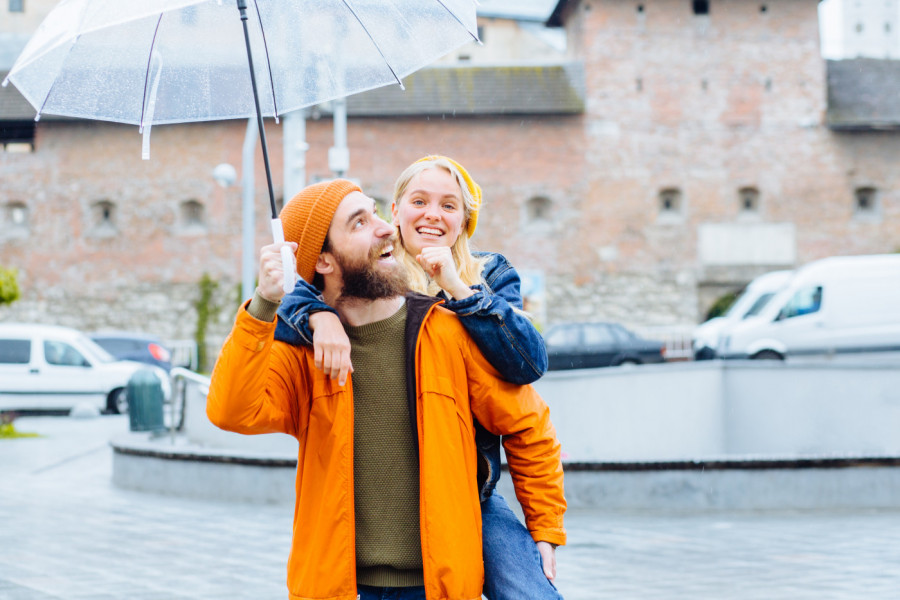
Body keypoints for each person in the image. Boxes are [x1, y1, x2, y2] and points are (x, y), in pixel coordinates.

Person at [207, 179, 566, 600]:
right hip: (339, 587)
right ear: (323, 261)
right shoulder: (306, 355)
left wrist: (545, 528)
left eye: (377, 213)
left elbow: (529, 424)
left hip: (437, 587)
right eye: (360, 223)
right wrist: (264, 304)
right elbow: (231, 411)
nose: (386, 228)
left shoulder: (447, 331)